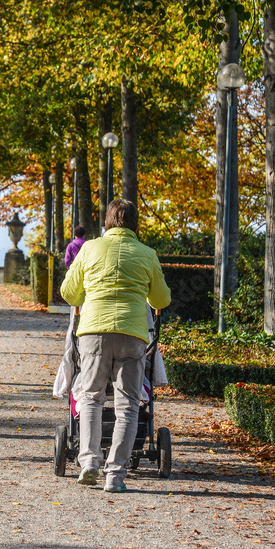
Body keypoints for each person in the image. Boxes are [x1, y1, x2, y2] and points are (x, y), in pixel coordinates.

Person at [61, 199, 171, 492]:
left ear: (106, 223)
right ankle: (116, 474)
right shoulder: (147, 254)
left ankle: (89, 463)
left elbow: (69, 293)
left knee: (92, 398)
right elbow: (161, 300)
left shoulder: (89, 249)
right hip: (132, 334)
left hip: (93, 332)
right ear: (136, 225)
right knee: (128, 406)